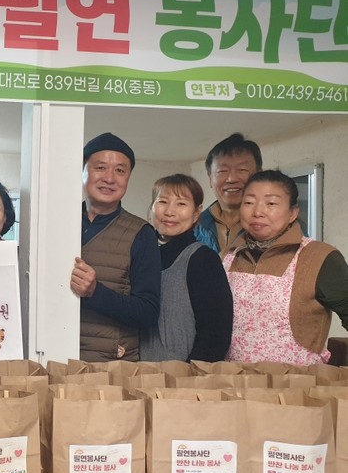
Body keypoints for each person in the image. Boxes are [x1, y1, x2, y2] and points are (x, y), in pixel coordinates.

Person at [223, 170, 348, 365]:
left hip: (297, 381)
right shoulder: (227, 256)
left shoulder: (320, 257)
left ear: (293, 213)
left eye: (271, 203)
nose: (258, 212)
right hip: (231, 379)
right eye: (249, 202)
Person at [70, 132, 160, 362]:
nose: (109, 178)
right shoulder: (57, 222)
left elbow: (148, 313)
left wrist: (95, 292)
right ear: (82, 171)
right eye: (100, 167)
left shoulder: (141, 233)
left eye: (120, 171)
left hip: (112, 366)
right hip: (55, 356)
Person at [139, 174, 233, 362]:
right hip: (136, 372)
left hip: (183, 376)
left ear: (196, 213)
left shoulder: (203, 259)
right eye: (163, 202)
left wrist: (191, 374)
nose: (169, 212)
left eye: (181, 204)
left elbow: (215, 334)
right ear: (152, 207)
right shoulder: (140, 255)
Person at [195, 133, 262, 253]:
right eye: (222, 171)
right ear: (210, 178)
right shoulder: (194, 226)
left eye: (242, 170)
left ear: (259, 175)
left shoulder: (276, 226)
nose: (231, 179)